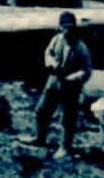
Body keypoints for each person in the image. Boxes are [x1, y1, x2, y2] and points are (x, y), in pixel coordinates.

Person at [27, 10, 92, 158]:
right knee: (42, 110)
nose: (67, 31)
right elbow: (48, 53)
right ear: (60, 27)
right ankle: (40, 138)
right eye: (64, 27)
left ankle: (66, 146)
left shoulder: (81, 47)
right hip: (53, 81)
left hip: (70, 87)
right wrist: (51, 63)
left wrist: (74, 78)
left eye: (70, 27)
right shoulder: (57, 40)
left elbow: (87, 70)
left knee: (68, 118)